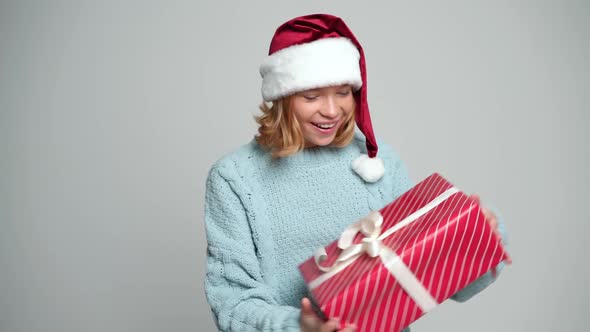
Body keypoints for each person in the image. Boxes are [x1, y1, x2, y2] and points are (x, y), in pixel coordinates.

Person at [203, 14, 508, 332]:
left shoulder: (378, 160)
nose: (332, 110)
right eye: (311, 96)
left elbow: (426, 274)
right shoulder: (235, 179)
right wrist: (301, 327)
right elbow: (233, 303)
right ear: (282, 98)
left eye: (343, 93)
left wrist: (478, 241)